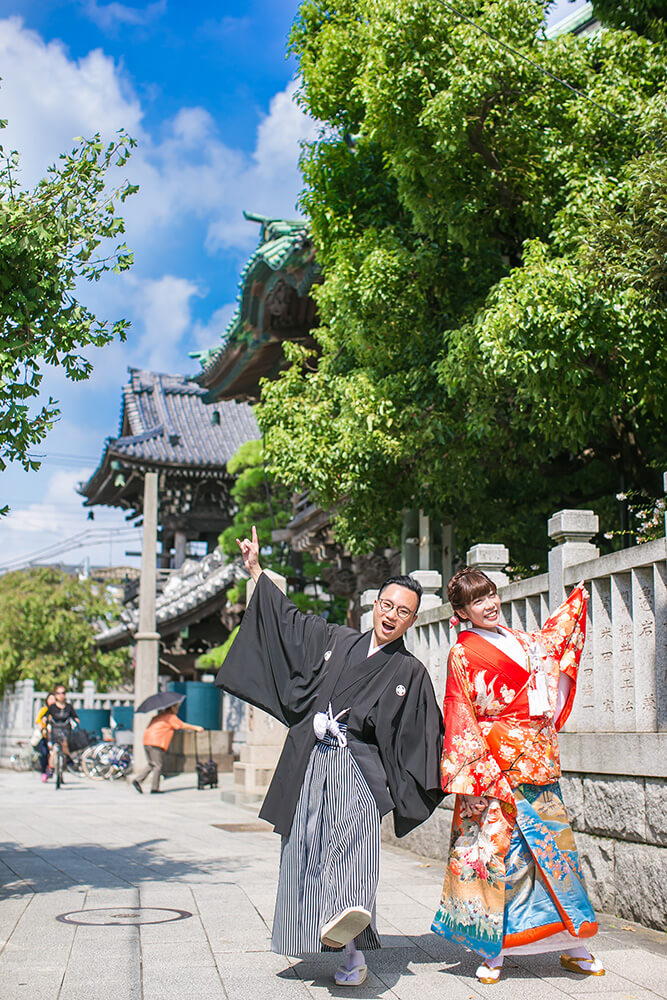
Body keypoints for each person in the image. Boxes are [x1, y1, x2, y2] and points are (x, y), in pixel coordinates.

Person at [216, 526, 444, 988]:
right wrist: (257, 570)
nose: (392, 616)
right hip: (311, 763)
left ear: (412, 621)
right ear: (374, 605)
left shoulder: (410, 671)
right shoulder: (338, 640)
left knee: (354, 848)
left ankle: (352, 941)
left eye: (404, 612)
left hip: (359, 769)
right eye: (387, 605)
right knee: (306, 847)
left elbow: (422, 735)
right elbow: (288, 623)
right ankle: (334, 940)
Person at [431, 567, 605, 984]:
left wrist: (575, 603)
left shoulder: (523, 640)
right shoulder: (463, 653)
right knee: (497, 858)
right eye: (477, 600)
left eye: (490, 594)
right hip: (492, 770)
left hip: (537, 763)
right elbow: (459, 715)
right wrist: (470, 783)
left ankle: (572, 942)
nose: (489, 604)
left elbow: (554, 641)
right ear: (461, 611)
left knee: (555, 854)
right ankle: (494, 951)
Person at [132, 704, 204, 794]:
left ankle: (138, 780)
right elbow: (181, 725)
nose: (177, 710)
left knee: (152, 763)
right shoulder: (170, 717)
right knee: (158, 765)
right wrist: (196, 728)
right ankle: (154, 788)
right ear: (172, 708)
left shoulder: (158, 716)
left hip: (147, 741)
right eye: (176, 708)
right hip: (156, 742)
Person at [46, 684, 79, 779]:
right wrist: (45, 719)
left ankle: (68, 758)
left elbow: (74, 716)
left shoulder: (68, 707)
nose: (61, 695)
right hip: (55, 730)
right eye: (58, 693)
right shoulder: (52, 707)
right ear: (55, 695)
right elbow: (46, 715)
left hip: (65, 730)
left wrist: (76, 720)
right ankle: (51, 769)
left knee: (64, 743)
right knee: (53, 750)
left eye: (63, 693)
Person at [35, 692, 56, 781]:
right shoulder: (44, 710)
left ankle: (57, 772)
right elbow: (38, 721)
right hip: (45, 736)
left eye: (54, 699)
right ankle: (44, 771)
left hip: (55, 735)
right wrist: (42, 728)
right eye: (50, 699)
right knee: (44, 753)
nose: (52, 701)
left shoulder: (58, 710)